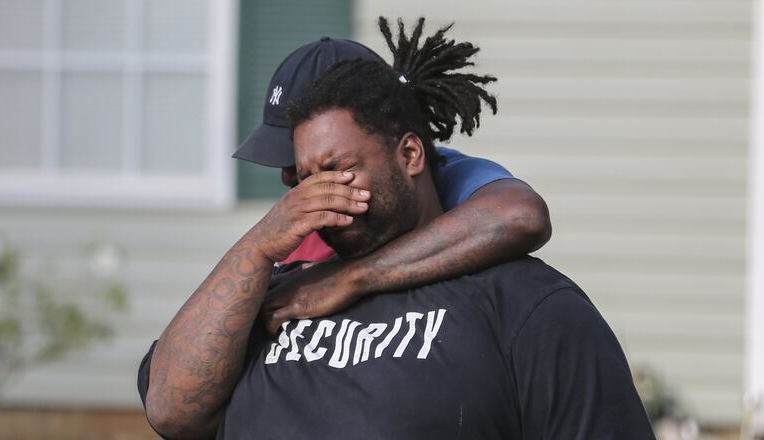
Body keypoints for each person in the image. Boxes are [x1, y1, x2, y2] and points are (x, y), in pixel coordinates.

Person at [139, 17, 654, 439]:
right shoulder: (275, 282)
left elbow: (520, 215)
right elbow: (169, 409)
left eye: (334, 168)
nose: (306, 193)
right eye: (299, 175)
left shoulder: (510, 278)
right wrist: (256, 249)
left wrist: (349, 280)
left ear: (409, 152)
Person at [231, 35, 551, 331]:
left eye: (291, 157)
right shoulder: (310, 219)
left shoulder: (438, 173)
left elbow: (522, 215)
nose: (287, 177)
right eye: (299, 167)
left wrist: (348, 278)